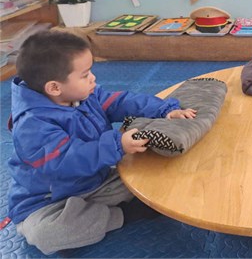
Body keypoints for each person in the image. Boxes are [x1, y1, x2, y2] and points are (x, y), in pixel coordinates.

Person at [7, 30, 197, 255]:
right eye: (85, 74)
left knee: (151, 178)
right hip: (49, 201)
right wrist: (117, 145)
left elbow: (120, 102)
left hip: (97, 179)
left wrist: (164, 109)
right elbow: (65, 161)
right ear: (54, 87)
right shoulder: (31, 123)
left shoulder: (83, 95)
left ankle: (102, 209)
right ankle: (123, 215)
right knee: (46, 234)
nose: (93, 78)